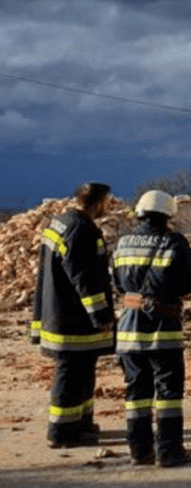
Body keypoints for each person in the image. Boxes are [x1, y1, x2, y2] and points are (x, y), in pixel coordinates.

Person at [111, 190, 191, 467]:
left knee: (136, 394)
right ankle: (169, 452)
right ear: (167, 215)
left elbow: (116, 283)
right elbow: (188, 284)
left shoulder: (122, 244)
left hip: (128, 330)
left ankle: (140, 451)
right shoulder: (174, 242)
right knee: (169, 394)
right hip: (164, 330)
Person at [32, 182, 115, 449]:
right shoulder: (81, 230)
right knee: (70, 374)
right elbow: (85, 279)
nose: (110, 206)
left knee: (84, 371)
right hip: (73, 321)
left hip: (58, 313)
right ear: (99, 201)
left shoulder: (60, 222)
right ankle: (61, 432)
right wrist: (101, 316)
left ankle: (81, 424)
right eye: (108, 201)